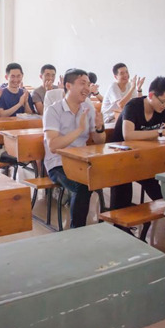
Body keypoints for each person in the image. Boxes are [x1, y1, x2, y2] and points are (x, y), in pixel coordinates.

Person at [109, 76, 165, 237]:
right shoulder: (133, 106)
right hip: (120, 159)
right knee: (123, 188)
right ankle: (120, 230)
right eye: (163, 101)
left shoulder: (163, 110)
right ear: (151, 95)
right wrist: (161, 132)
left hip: (144, 160)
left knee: (161, 185)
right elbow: (128, 135)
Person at [44, 68, 106, 228]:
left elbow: (99, 141)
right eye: (82, 83)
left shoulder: (87, 107)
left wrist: (99, 128)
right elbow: (53, 146)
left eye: (88, 84)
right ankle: (77, 230)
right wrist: (79, 129)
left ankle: (117, 224)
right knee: (82, 185)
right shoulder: (53, 110)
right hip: (58, 163)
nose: (87, 88)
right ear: (68, 85)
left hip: (82, 161)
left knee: (114, 174)